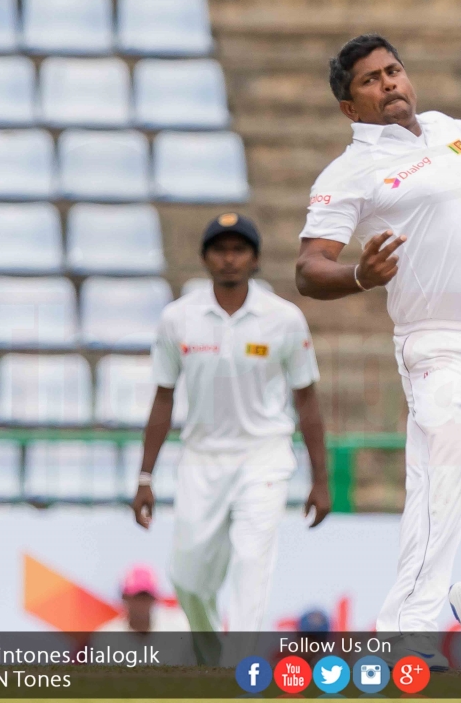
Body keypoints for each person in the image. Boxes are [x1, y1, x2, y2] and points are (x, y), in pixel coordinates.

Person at [295, 34, 461, 670]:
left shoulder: (447, 131)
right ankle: (406, 638)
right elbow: (308, 268)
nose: (388, 83)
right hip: (441, 346)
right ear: (350, 108)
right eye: (370, 80)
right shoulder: (348, 173)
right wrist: (359, 276)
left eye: (393, 70)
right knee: (442, 487)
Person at [132, 213, 331, 660]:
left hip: (263, 456)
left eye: (239, 250)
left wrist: (320, 479)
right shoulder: (178, 318)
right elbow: (163, 398)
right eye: (220, 250)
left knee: (251, 562)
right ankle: (211, 657)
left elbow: (307, 400)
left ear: (255, 258)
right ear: (205, 258)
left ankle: (236, 668)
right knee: (186, 580)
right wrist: (145, 477)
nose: (229, 259)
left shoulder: (284, 319)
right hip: (202, 458)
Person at [98, 564, 190, 634]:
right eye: (136, 597)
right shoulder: (107, 636)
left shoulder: (179, 626)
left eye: (146, 597)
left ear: (154, 598)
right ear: (124, 597)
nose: (141, 604)